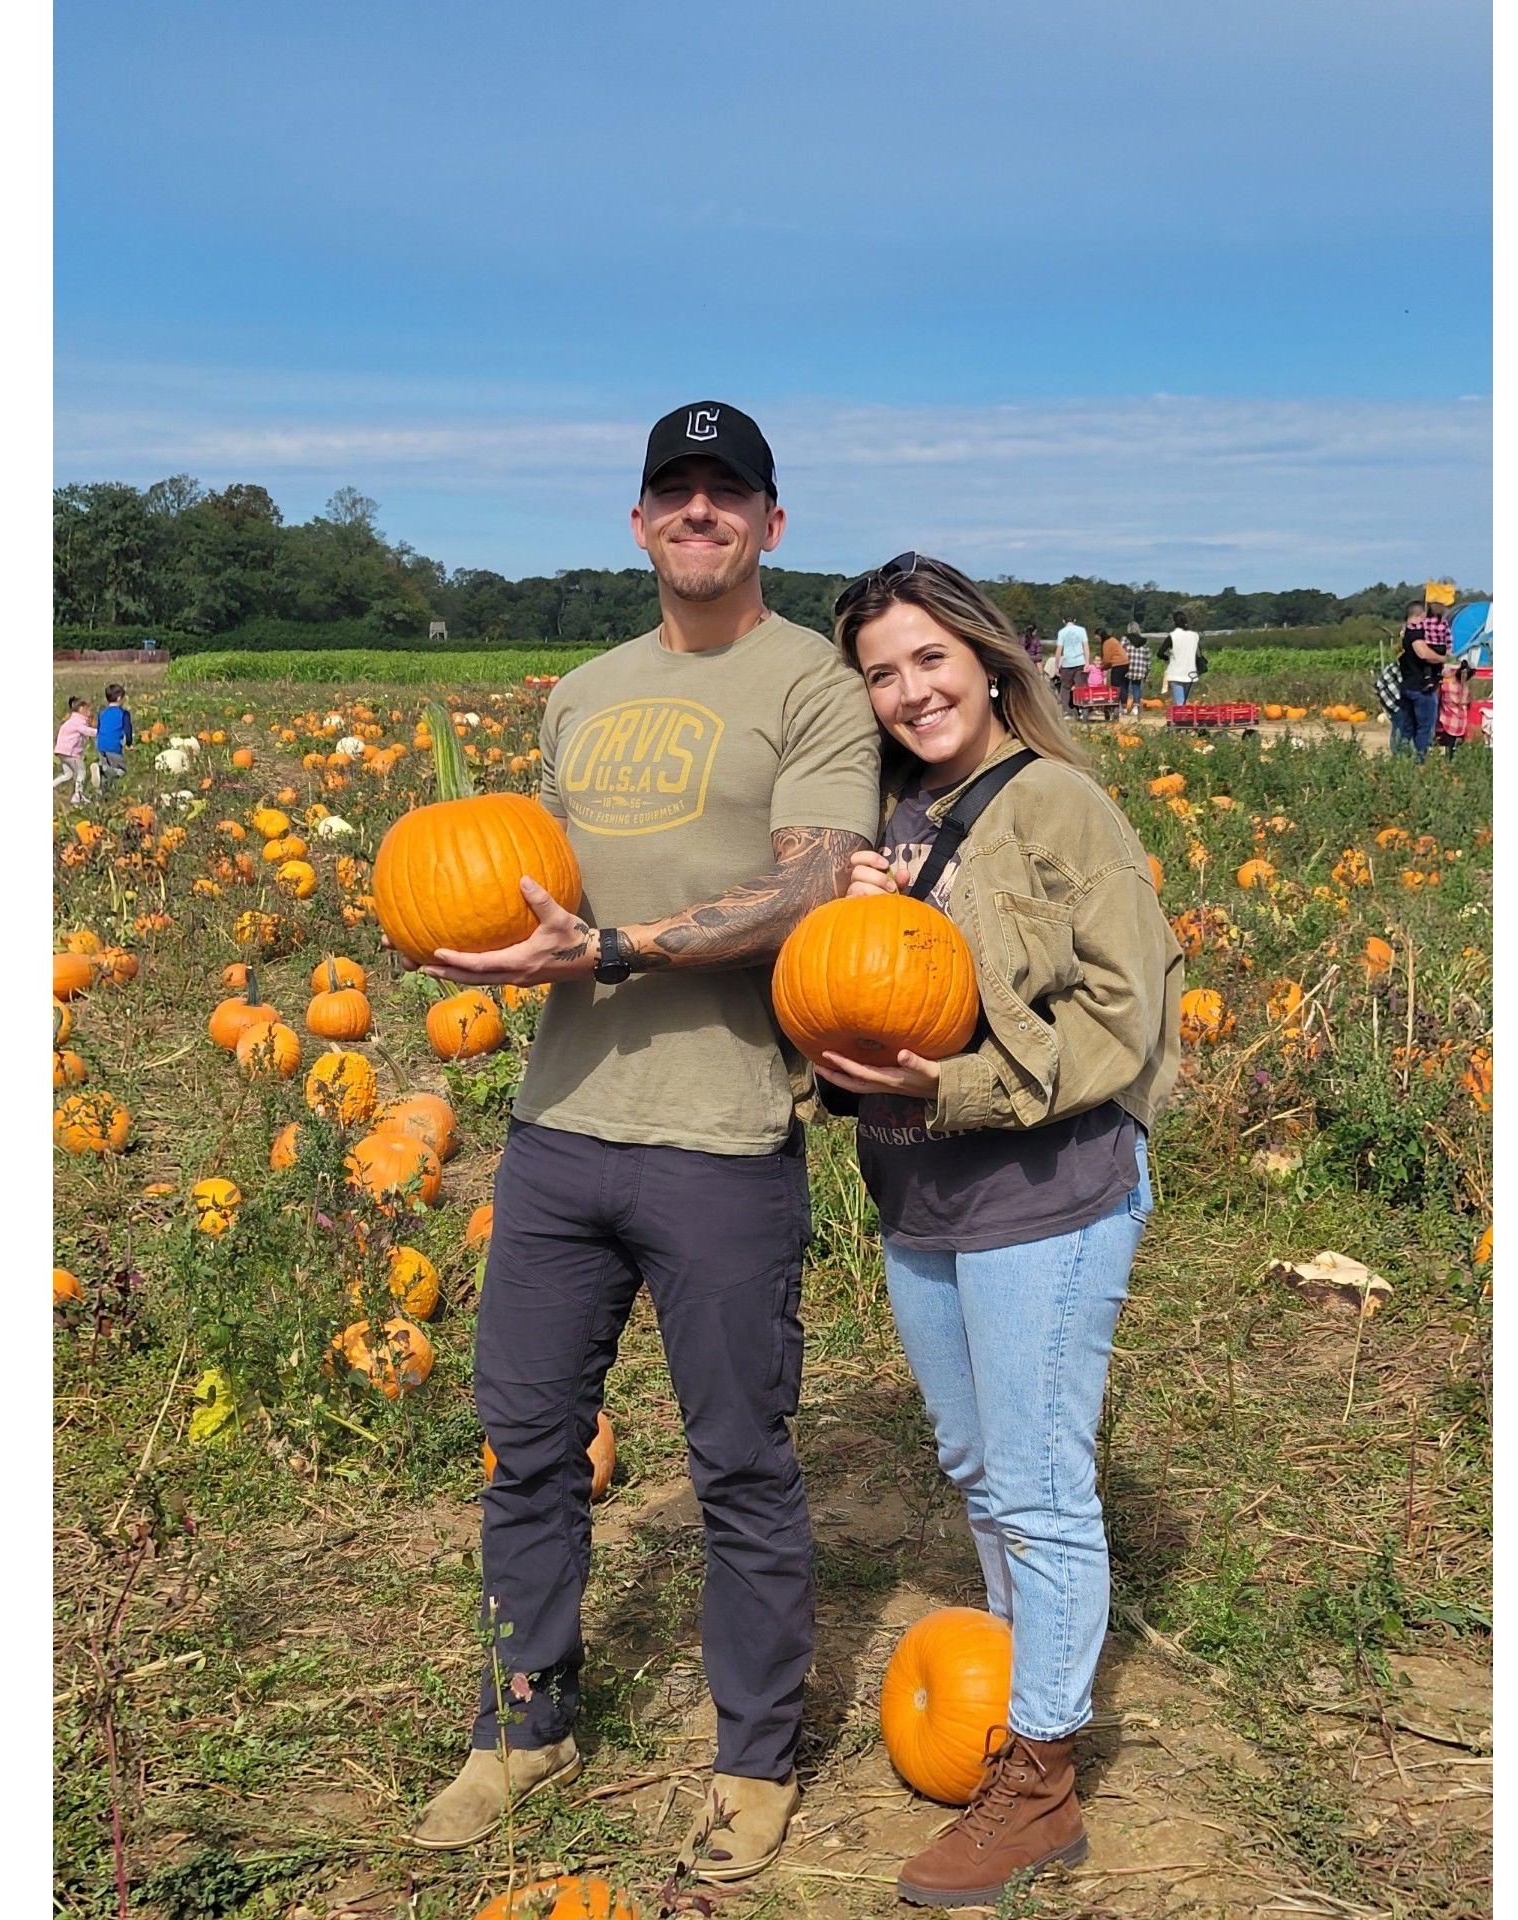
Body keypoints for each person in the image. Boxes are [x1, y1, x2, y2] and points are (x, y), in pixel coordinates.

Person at [400, 403, 880, 1884]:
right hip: (557, 1129)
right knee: (527, 1446)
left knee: (739, 1460)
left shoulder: (813, 687)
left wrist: (608, 948)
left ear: (771, 524)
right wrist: (481, 934)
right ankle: (523, 1723)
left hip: (721, 1137)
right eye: (676, 490)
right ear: (638, 520)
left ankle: (754, 1757)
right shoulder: (586, 692)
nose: (699, 511)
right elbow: (529, 886)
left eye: (728, 491)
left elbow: (810, 890)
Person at [819, 554, 1183, 1910]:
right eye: (882, 672)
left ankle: (1040, 1783)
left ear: (986, 658)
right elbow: (855, 996)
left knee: (1036, 1482)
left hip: (1045, 1190)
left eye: (931, 658)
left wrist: (954, 1085)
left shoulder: (1058, 806)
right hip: (921, 1192)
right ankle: (1031, 1690)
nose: (911, 691)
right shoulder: (886, 820)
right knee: (979, 1465)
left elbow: (1124, 1016)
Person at [1393, 599, 1450, 763]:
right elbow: (1423, 653)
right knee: (1425, 728)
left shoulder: (1404, 634)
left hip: (1407, 686)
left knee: (1408, 727)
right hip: (1421, 688)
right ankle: (1420, 762)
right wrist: (1442, 658)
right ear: (1420, 615)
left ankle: (1402, 760)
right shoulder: (1416, 634)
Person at [53, 697, 94, 807]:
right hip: (71, 752)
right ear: (81, 709)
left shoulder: (70, 721)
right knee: (81, 772)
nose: (90, 713)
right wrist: (101, 732)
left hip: (61, 751)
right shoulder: (78, 722)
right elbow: (87, 731)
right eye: (88, 710)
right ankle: (77, 796)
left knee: (68, 774)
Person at [1047, 612, 1089, 716]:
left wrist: (1057, 665)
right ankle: (1084, 708)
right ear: (1074, 620)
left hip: (1067, 663)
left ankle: (1066, 710)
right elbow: (1086, 647)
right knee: (1081, 686)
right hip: (1080, 662)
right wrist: (1087, 662)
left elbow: (1059, 649)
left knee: (1065, 687)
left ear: (1063, 621)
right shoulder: (1081, 630)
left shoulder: (1062, 632)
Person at [96, 683, 132, 788]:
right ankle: (103, 769)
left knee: (105, 774)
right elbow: (128, 731)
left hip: (100, 744)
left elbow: (99, 729)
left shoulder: (102, 713)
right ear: (119, 698)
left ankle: (102, 793)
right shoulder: (124, 713)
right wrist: (129, 743)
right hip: (113, 746)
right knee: (121, 771)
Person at [1436, 656, 1472, 758]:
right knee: (1456, 749)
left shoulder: (1446, 687)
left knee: (1447, 747)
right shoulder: (1466, 688)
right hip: (1461, 723)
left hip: (1448, 722)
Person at [1162, 616, 1201, 708]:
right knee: (1184, 701)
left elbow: (1160, 653)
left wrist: (1167, 658)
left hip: (1176, 674)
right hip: (1190, 673)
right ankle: (1186, 715)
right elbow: (1197, 653)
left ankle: (1181, 716)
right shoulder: (1195, 635)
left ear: (1175, 623)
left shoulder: (1172, 636)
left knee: (1180, 703)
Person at [1122, 622, 1150, 716]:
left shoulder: (1125, 639)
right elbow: (1147, 657)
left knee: (1124, 686)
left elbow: (1120, 651)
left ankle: (1124, 707)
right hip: (1139, 668)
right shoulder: (1144, 641)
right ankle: (1135, 708)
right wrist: (1147, 671)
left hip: (1127, 666)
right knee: (1136, 686)